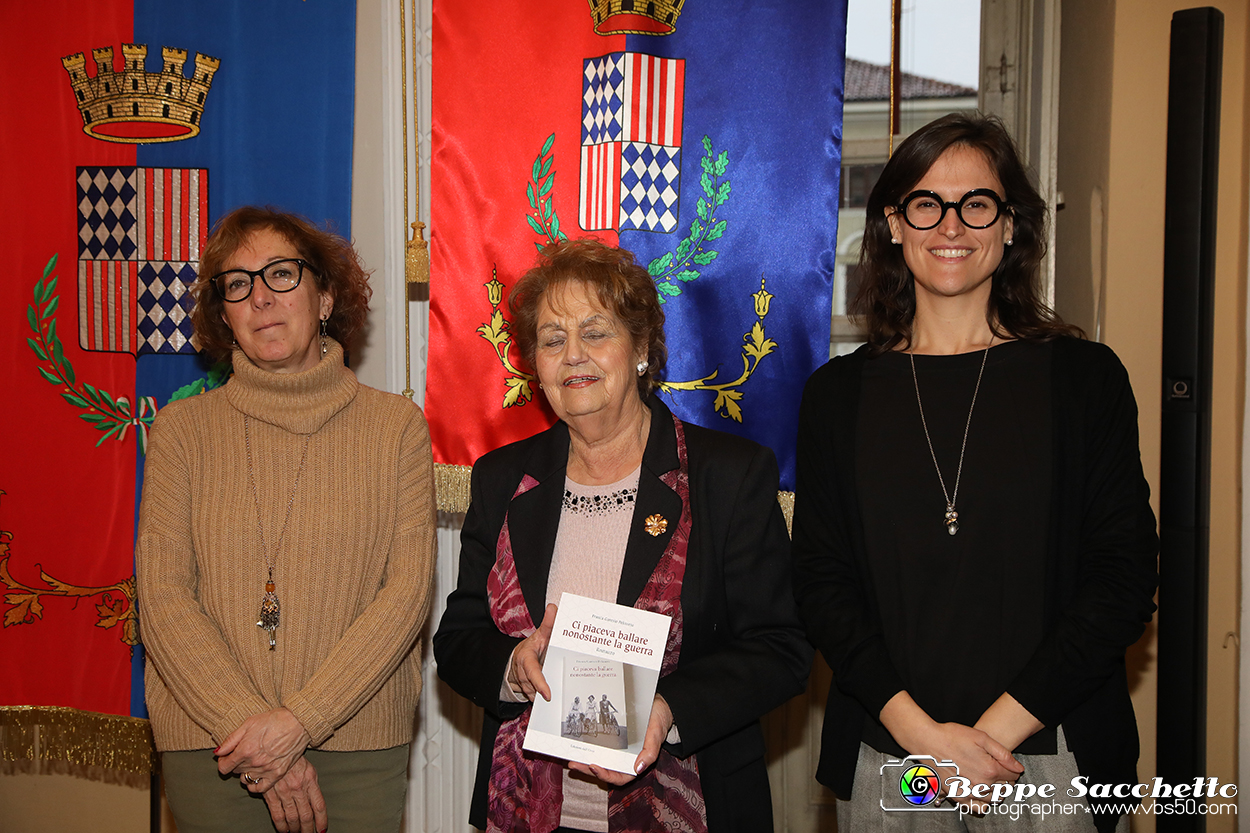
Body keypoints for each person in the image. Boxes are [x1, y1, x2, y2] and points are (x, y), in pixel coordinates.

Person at [791, 113, 1158, 832]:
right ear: (894, 224)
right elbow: (821, 584)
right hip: (898, 762)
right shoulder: (837, 395)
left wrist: (990, 737)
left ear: (1010, 224)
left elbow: (1123, 578)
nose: (950, 225)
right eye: (926, 203)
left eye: (977, 203)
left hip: (1046, 761)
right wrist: (930, 741)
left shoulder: (1085, 380)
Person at [433, 239, 812, 833]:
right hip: (528, 812)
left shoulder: (726, 475)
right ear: (536, 364)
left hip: (692, 806)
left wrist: (668, 710)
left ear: (640, 348)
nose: (573, 356)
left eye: (596, 332)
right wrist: (513, 664)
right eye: (553, 340)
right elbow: (458, 638)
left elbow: (781, 648)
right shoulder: (504, 478)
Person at [136, 206, 437, 833]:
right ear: (224, 314)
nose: (261, 299)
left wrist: (301, 722)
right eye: (238, 284)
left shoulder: (396, 428)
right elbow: (162, 598)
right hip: (213, 747)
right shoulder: (180, 432)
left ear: (325, 296)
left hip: (357, 746)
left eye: (281, 274)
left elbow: (405, 596)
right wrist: (253, 733)